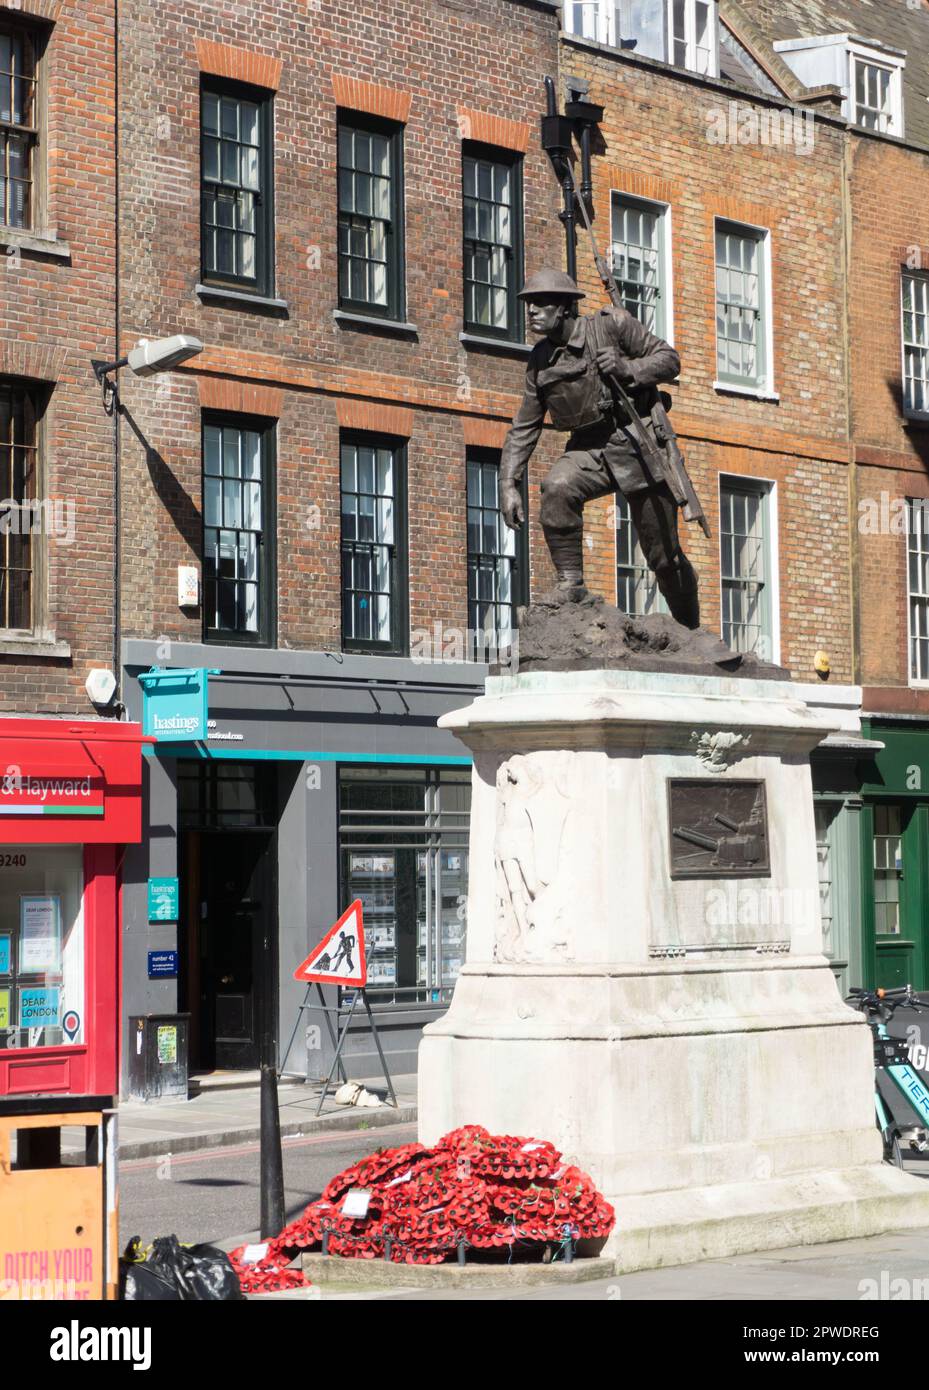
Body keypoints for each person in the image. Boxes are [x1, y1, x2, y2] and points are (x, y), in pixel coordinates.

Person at [499, 269, 700, 628]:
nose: (531, 310)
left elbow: (670, 360)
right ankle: (571, 584)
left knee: (663, 558)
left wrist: (628, 368)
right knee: (557, 487)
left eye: (541, 303)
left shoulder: (612, 325)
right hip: (589, 449)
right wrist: (508, 483)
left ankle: (690, 628)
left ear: (564, 308)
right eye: (529, 303)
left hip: (638, 445)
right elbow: (525, 425)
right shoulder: (539, 359)